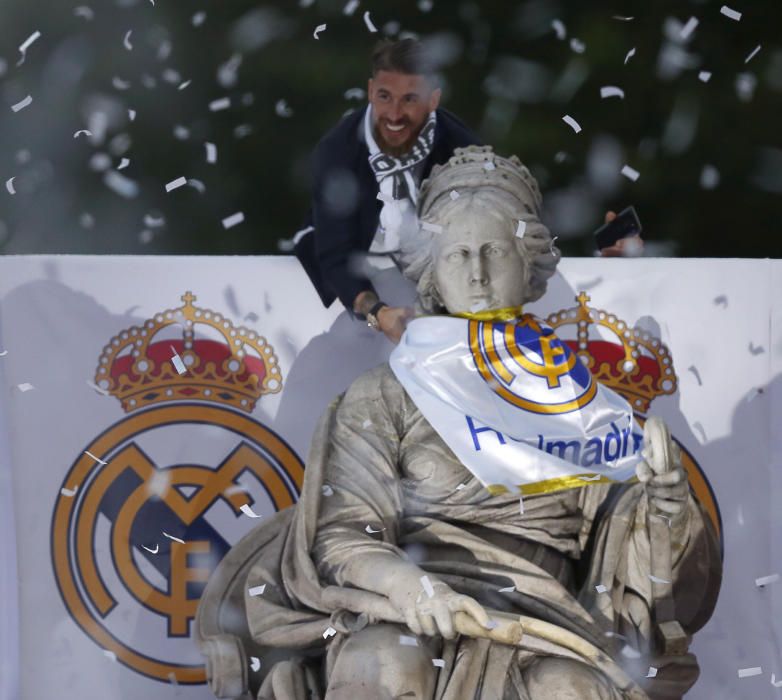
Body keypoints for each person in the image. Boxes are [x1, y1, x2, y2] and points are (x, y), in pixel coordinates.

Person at [198, 147, 721, 699]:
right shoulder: (383, 396)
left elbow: (640, 581)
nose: (476, 273)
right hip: (405, 609)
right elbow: (342, 534)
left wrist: (666, 513)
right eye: (457, 255)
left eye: (495, 251)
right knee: (384, 662)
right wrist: (412, 588)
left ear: (529, 266)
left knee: (568, 690)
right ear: (431, 273)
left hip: (549, 623)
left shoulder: (587, 408)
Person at [294, 38, 481, 343]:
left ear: (433, 100)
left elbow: (479, 236)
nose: (394, 115)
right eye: (384, 96)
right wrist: (378, 313)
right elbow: (335, 253)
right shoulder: (336, 151)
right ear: (370, 91)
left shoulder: (464, 150)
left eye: (409, 99)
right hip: (347, 286)